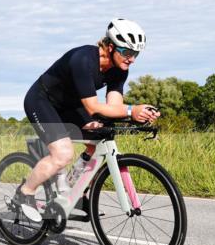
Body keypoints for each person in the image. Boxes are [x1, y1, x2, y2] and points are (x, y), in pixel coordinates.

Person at [17, 19, 159, 215]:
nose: (131, 59)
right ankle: (24, 193)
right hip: (42, 100)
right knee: (62, 154)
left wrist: (138, 115)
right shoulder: (83, 59)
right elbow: (93, 107)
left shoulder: (119, 71)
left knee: (97, 142)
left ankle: (73, 192)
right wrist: (131, 110)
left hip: (71, 105)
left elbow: (114, 106)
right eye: (127, 52)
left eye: (135, 54)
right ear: (110, 47)